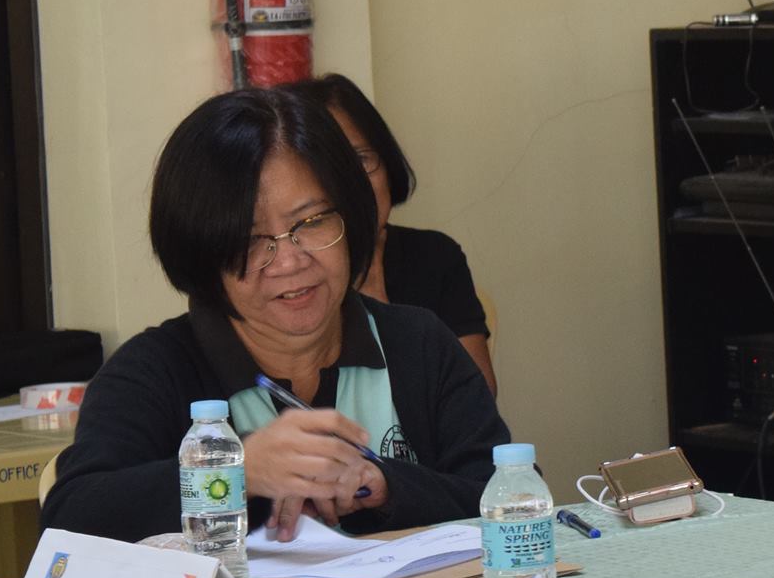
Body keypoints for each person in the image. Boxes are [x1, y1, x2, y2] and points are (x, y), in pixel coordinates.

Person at [41, 88, 512, 543]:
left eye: (311, 223)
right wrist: (237, 472)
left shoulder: (417, 343)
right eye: (249, 241)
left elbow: (512, 498)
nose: (289, 262)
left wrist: (388, 486)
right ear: (200, 253)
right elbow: (72, 517)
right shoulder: (153, 369)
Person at [287, 74, 496, 395]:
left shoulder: (434, 256)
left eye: (361, 159)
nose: (353, 182)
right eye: (331, 167)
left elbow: (475, 399)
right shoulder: (287, 273)